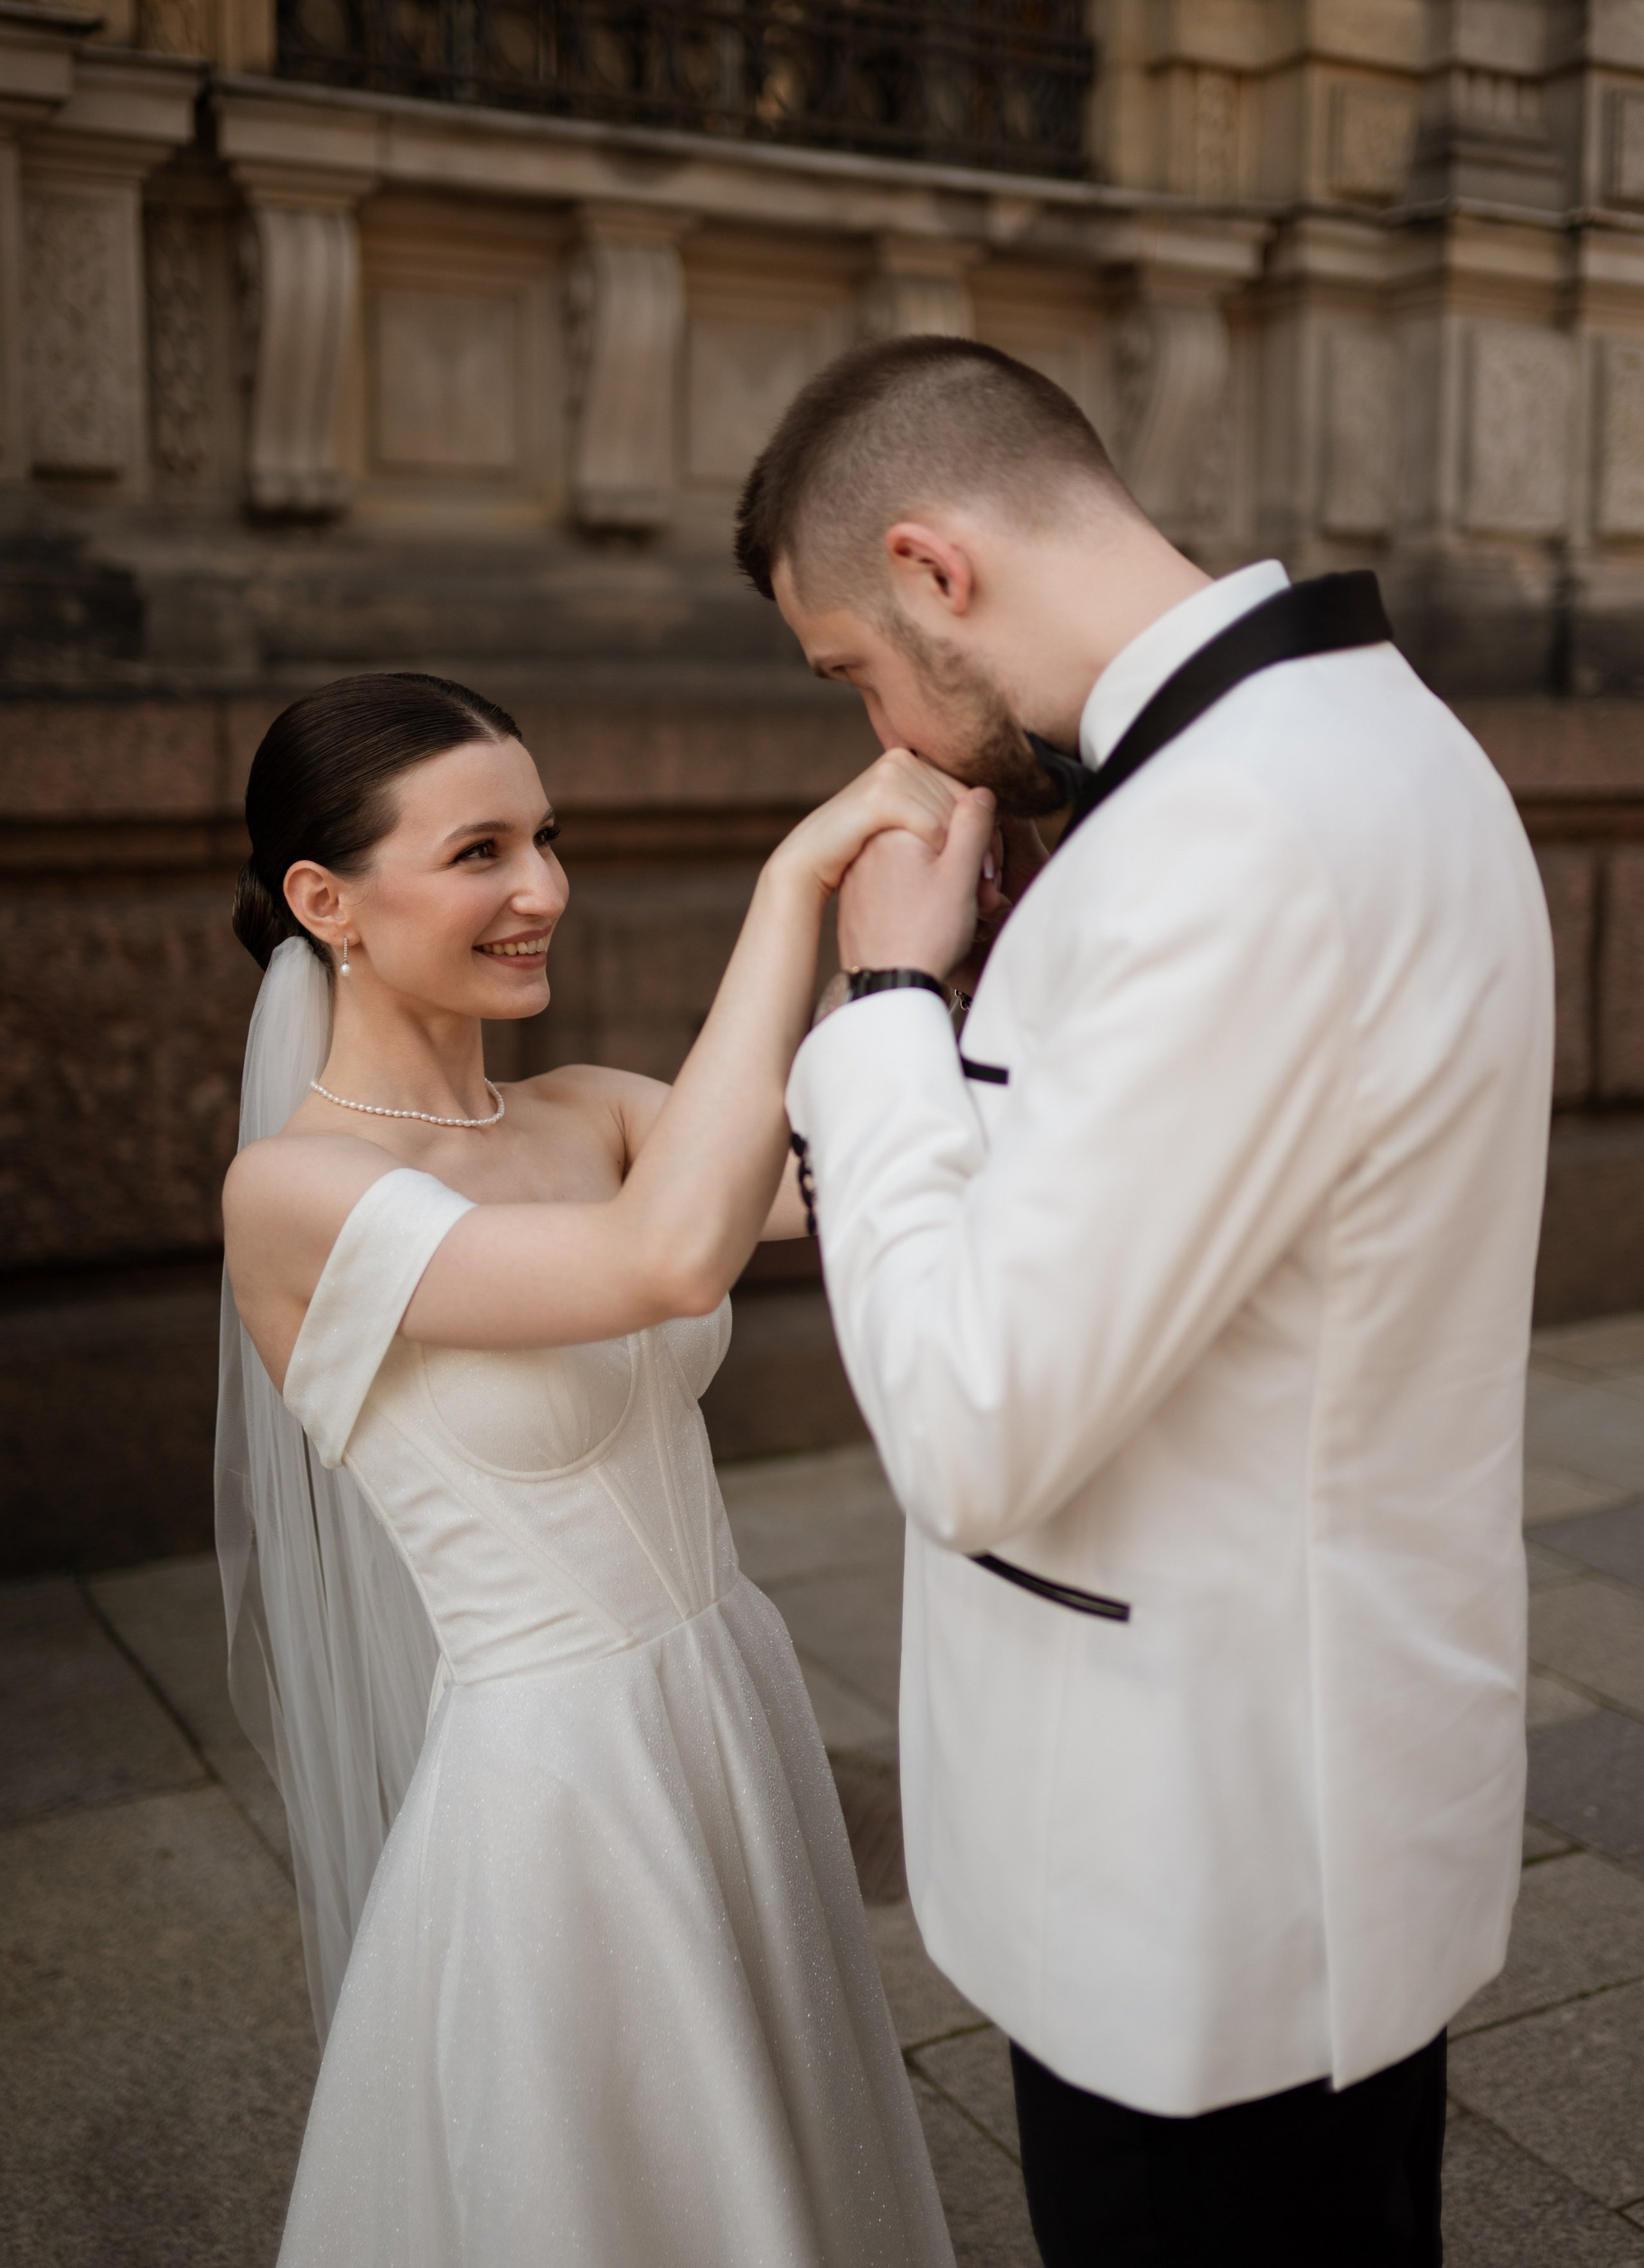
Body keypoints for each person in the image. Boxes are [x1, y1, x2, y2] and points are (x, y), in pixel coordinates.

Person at [733, 336, 1555, 2267]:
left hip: (1208, 1879)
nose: (892, 740)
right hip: (1238, 1818)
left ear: (937, 568)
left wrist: (890, 1013)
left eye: (856, 668)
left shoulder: (1240, 834)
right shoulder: (1315, 752)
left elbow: (977, 1425)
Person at [216, 669, 977, 2268]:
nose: (541, 890)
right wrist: (791, 882)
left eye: (546, 837)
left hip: (730, 1698)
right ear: (323, 899)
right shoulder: (293, 1194)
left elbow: (857, 1146)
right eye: (480, 850)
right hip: (562, 1783)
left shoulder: (587, 1114)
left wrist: (955, 855)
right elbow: (663, 1263)